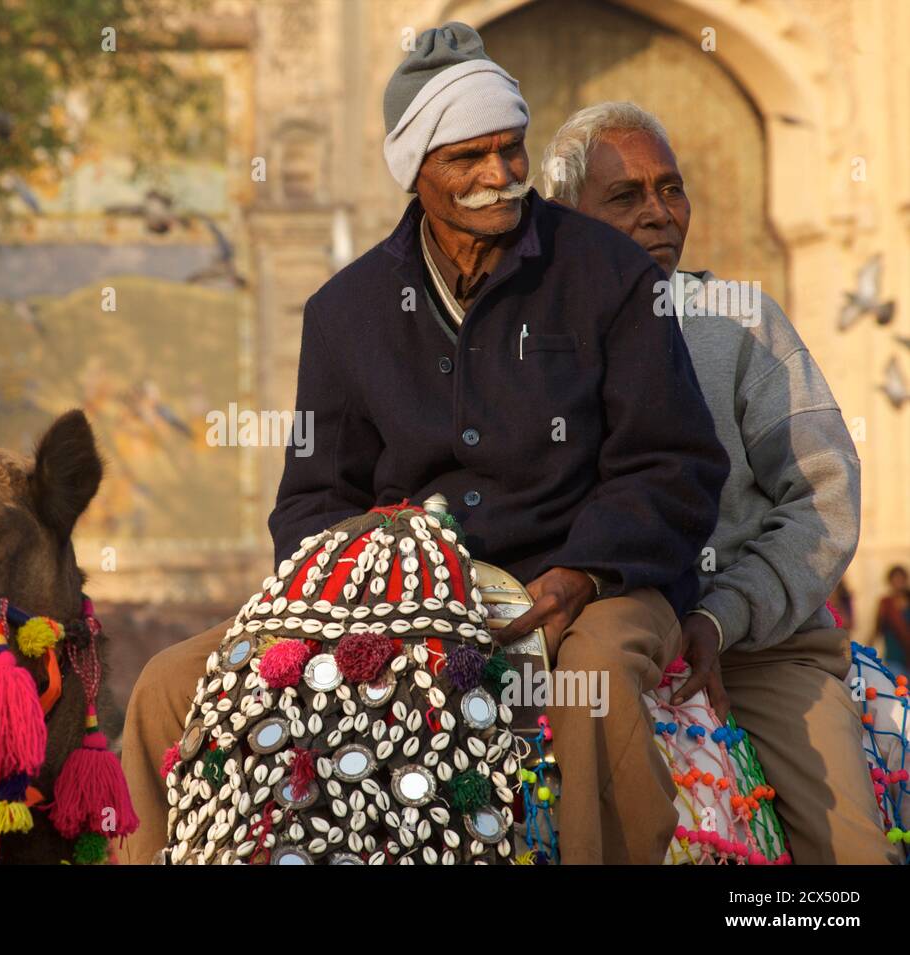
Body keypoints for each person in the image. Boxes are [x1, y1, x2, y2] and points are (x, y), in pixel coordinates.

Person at [119, 25, 729, 865]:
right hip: (403, 601)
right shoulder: (346, 310)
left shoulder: (608, 275)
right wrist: (370, 588)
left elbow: (673, 463)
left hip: (591, 583)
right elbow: (310, 499)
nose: (498, 176)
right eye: (467, 157)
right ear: (416, 170)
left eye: (510, 150)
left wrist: (581, 573)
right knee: (166, 685)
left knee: (593, 684)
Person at [542, 100, 898, 863]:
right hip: (594, 641)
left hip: (759, 650)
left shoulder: (735, 323)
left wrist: (722, 616)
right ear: (565, 216)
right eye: (626, 197)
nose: (658, 214)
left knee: (852, 854)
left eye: (670, 190)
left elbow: (824, 499)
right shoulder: (530, 339)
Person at [875, 565, 910, 674]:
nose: (898, 582)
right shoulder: (886, 603)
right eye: (895, 579)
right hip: (893, 656)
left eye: (900, 578)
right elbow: (877, 629)